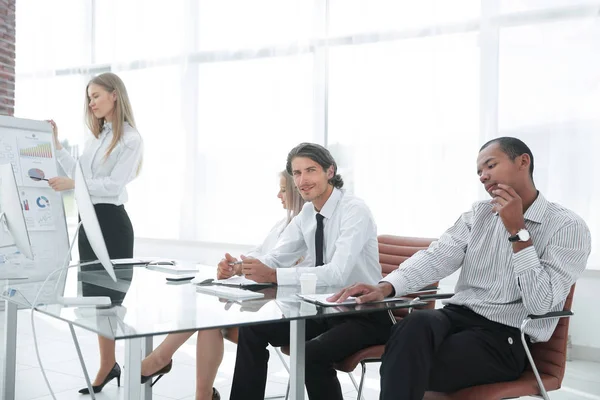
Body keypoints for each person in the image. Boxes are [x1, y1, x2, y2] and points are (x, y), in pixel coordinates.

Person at [329, 137, 591, 400]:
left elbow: (541, 304)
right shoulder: (479, 214)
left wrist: (517, 231)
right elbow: (436, 256)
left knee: (402, 361)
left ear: (523, 161)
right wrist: (386, 286)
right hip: (456, 317)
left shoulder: (567, 226)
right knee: (415, 323)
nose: (483, 176)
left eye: (490, 165)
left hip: (504, 336)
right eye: (479, 171)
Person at [229, 142, 390, 400]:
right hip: (325, 310)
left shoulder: (354, 210)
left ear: (330, 171)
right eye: (297, 173)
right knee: (252, 330)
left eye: (310, 170)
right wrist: (242, 267)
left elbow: (337, 273)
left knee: (310, 353)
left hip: (365, 314)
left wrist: (272, 275)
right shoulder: (307, 212)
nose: (302, 180)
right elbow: (278, 256)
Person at [140, 170, 307, 400]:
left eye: (284, 189)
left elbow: (277, 264)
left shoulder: (306, 228)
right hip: (263, 302)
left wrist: (243, 268)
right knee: (209, 318)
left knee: (210, 315)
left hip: (281, 311)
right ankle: (202, 395)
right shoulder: (283, 224)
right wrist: (233, 266)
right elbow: (259, 254)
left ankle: (160, 359)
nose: (278, 195)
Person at [48, 72, 143, 395]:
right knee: (98, 301)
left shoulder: (130, 139)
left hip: (112, 224)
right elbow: (77, 172)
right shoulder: (97, 136)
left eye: (96, 95)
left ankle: (125, 362)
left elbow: (113, 185)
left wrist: (75, 185)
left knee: (111, 301)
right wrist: (57, 146)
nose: (91, 102)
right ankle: (109, 363)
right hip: (88, 222)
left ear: (115, 95)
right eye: (89, 98)